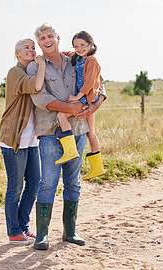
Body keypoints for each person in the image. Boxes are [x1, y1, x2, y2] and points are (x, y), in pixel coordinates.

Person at [26, 23, 106, 250]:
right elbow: (41, 99)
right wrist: (73, 108)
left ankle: (69, 232)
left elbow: (99, 82)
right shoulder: (35, 67)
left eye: (50, 35)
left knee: (73, 182)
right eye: (42, 38)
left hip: (79, 130)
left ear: (58, 38)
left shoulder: (76, 59)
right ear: (39, 44)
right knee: (48, 182)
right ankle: (42, 235)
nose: (47, 40)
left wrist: (94, 105)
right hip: (51, 133)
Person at [0, 38, 46, 244]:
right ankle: (14, 232)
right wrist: (43, 63)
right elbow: (36, 87)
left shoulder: (33, 70)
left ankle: (23, 227)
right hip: (14, 138)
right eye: (26, 47)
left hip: (31, 139)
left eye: (32, 47)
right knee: (15, 186)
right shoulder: (15, 72)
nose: (31, 49)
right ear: (17, 53)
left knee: (34, 183)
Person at [56, 31, 105, 181]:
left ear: (91, 45)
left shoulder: (91, 60)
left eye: (82, 45)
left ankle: (70, 150)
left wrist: (78, 96)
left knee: (61, 115)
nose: (79, 48)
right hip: (89, 98)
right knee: (91, 132)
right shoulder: (78, 57)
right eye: (76, 46)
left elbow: (90, 82)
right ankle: (97, 168)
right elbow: (64, 53)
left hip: (86, 97)